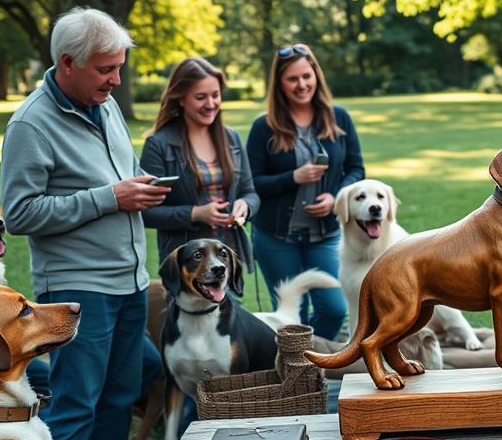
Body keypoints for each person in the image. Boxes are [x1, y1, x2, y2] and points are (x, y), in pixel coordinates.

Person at [0, 7, 169, 440]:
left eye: (118, 68)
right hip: (77, 291)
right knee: (74, 408)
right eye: (105, 70)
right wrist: (109, 198)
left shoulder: (105, 104)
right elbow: (19, 213)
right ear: (67, 63)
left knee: (120, 395)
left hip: (128, 282)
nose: (116, 80)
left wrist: (137, 188)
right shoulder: (30, 124)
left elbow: (117, 177)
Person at [247, 43, 364, 340]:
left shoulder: (338, 118)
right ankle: (297, 363)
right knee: (290, 316)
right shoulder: (264, 127)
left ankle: (310, 358)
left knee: (334, 309)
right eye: (292, 79)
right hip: (276, 238)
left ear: (316, 76)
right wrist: (293, 177)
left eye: (306, 76)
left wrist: (336, 197)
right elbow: (251, 183)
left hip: (325, 234)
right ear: (279, 84)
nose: (301, 85)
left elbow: (356, 169)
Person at [140, 56, 260, 268]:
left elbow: (250, 192)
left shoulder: (231, 138)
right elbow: (146, 213)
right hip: (187, 266)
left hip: (228, 259)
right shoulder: (158, 145)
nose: (211, 104)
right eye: (201, 97)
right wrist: (195, 214)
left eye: (216, 95)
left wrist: (245, 206)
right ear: (180, 98)